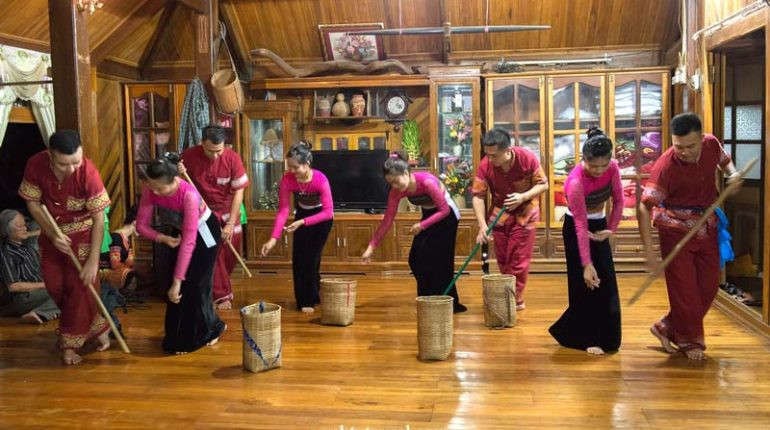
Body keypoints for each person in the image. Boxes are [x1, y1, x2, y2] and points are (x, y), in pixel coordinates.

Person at [638, 112, 741, 361]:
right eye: (678, 146)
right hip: (674, 230)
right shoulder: (665, 166)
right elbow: (643, 206)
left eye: (690, 146)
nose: (684, 152)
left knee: (708, 286)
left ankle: (665, 327)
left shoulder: (711, 144)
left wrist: (733, 174)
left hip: (707, 224)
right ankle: (690, 340)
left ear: (701, 137)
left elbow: (725, 161)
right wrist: (650, 252)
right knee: (685, 290)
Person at [18, 129, 111, 365]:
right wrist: (50, 233)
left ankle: (70, 345)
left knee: (80, 289)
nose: (71, 169)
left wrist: (92, 261)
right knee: (55, 286)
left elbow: (99, 219)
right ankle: (98, 328)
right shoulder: (36, 164)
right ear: (50, 155)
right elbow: (32, 203)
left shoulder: (88, 173)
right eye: (63, 164)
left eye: (76, 162)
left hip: (83, 236)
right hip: (52, 236)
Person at [136, 157, 226, 354]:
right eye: (152, 187)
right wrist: (163, 238)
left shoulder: (189, 196)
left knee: (196, 285)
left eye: (161, 188)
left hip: (205, 232)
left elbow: (189, 242)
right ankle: (176, 337)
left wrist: (178, 281)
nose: (156, 192)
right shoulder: (151, 190)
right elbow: (140, 226)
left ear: (175, 180)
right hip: (178, 232)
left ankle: (211, 330)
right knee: (175, 289)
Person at [548, 127, 623, 355]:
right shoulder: (575, 182)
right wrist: (586, 264)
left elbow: (619, 201)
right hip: (575, 229)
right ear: (584, 160)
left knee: (606, 282)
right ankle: (584, 336)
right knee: (585, 284)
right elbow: (581, 225)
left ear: (610, 159)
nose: (599, 171)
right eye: (593, 166)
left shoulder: (613, 168)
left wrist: (610, 229)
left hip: (600, 226)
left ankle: (608, 337)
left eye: (604, 165)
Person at [361, 153, 467, 313]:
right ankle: (428, 300)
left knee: (442, 262)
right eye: (390, 183)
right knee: (415, 259)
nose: (394, 186)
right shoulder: (396, 192)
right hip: (428, 217)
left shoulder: (427, 182)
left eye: (396, 181)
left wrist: (422, 225)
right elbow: (387, 220)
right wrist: (370, 248)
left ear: (405, 173)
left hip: (448, 217)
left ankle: (450, 304)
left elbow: (444, 210)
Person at [471, 127, 548, 310]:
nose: (490, 159)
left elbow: (543, 184)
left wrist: (522, 197)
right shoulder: (485, 165)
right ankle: (508, 293)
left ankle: (515, 300)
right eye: (487, 154)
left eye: (494, 155)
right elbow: (477, 195)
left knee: (518, 258)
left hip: (525, 210)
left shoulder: (526, 158)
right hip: (500, 213)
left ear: (508, 150)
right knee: (503, 257)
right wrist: (482, 226)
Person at [180, 125, 249, 310]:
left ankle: (214, 286)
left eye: (219, 150)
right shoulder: (188, 156)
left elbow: (238, 193)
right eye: (211, 151)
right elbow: (178, 181)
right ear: (202, 143)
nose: (216, 155)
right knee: (214, 249)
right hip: (203, 212)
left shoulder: (232, 158)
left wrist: (230, 224)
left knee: (229, 251)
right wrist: (178, 171)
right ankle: (222, 294)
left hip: (229, 210)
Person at [261, 141, 333, 313]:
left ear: (307, 164)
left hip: (321, 220)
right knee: (299, 260)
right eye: (289, 167)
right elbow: (284, 210)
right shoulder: (287, 179)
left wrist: (302, 222)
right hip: (302, 215)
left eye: (295, 167)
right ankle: (304, 300)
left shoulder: (320, 179)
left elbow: (329, 212)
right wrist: (273, 239)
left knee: (311, 260)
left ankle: (312, 297)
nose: (291, 171)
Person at [0, 209, 60, 324]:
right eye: (20, 226)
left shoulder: (27, 248)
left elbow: (42, 232)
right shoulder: (5, 253)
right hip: (19, 299)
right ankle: (41, 313)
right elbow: (13, 286)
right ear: (7, 231)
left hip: (36, 293)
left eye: (25, 225)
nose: (25, 228)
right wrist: (45, 285)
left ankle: (45, 311)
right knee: (62, 292)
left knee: (70, 292)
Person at [99, 206, 137, 292]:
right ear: (135, 222)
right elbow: (114, 264)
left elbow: (130, 262)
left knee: (135, 274)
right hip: (105, 270)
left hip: (116, 268)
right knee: (128, 274)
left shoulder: (126, 238)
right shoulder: (116, 237)